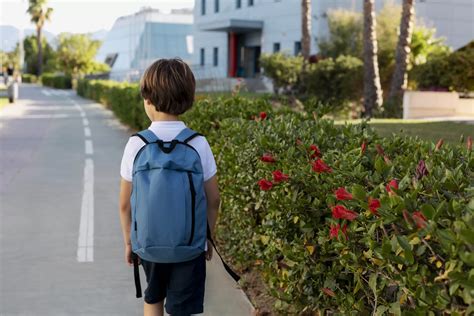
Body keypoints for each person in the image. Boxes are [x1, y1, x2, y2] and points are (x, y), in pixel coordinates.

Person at [118, 58, 220, 316]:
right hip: (189, 246)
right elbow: (214, 199)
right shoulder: (198, 144)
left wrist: (129, 242)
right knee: (182, 308)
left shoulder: (137, 144)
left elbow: (124, 204)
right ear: (187, 99)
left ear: (148, 100)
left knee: (153, 299)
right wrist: (207, 237)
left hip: (149, 245)